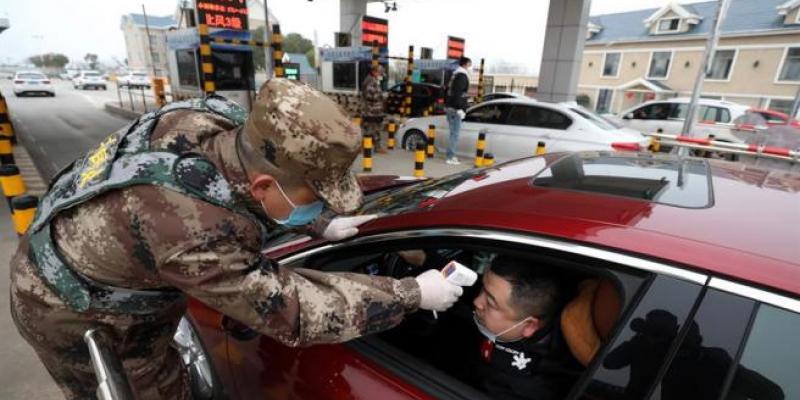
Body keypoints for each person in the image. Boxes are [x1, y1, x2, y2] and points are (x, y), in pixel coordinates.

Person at [9, 79, 463, 399]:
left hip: (101, 248)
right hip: (70, 305)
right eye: (315, 196)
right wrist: (409, 293)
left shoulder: (216, 121)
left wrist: (313, 222)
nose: (321, 204)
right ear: (267, 185)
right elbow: (293, 312)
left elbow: (238, 186)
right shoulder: (190, 230)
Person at [468, 256, 581, 400]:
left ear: (529, 326)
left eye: (490, 303)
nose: (476, 302)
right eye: (482, 288)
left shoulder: (524, 387)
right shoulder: (531, 311)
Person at [444, 57, 472, 165]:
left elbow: (447, 90)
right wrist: (460, 108)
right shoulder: (462, 75)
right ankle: (450, 157)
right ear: (466, 64)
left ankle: (450, 155)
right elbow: (458, 93)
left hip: (450, 107)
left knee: (452, 133)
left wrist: (446, 104)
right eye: (470, 63)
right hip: (455, 109)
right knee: (455, 134)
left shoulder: (454, 74)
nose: (470, 66)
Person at [360, 65, 387, 153]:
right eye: (380, 73)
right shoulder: (370, 81)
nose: (381, 75)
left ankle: (375, 147)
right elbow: (369, 95)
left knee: (374, 129)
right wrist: (382, 96)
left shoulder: (374, 80)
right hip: (371, 111)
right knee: (370, 129)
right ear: (375, 72)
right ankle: (369, 147)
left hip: (374, 111)